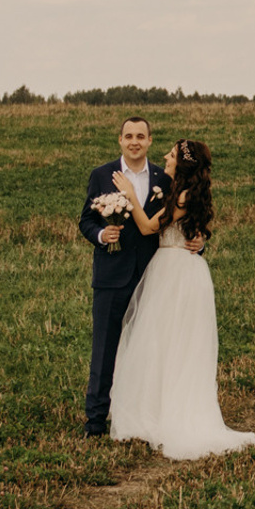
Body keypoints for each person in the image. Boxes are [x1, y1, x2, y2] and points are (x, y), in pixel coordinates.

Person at [105, 138, 255, 460]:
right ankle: (157, 408)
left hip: (177, 273)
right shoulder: (179, 190)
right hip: (170, 268)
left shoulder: (184, 196)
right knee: (163, 342)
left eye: (172, 154)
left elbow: (148, 228)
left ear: (183, 164)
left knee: (175, 343)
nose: (165, 156)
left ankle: (173, 415)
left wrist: (129, 195)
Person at [77, 116, 169, 437]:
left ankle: (141, 417)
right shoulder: (102, 175)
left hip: (151, 275)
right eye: (128, 136)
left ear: (150, 141)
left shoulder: (163, 178)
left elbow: (173, 222)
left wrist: (197, 244)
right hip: (111, 276)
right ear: (120, 140)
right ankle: (95, 420)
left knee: (148, 349)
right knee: (104, 350)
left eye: (140, 136)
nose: (134, 142)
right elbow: (86, 221)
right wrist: (102, 235)